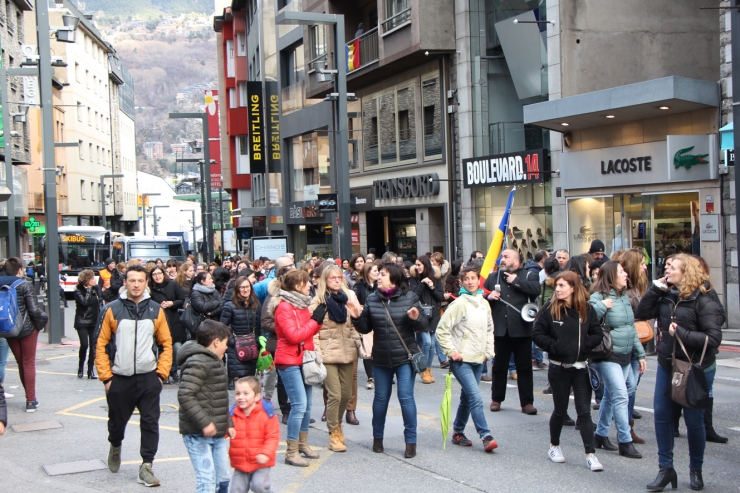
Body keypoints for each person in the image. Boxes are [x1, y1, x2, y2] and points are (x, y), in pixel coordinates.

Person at [637, 254, 723, 491]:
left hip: (695, 367)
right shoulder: (666, 294)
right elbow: (642, 312)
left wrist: (681, 334)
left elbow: (714, 339)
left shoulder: (704, 299)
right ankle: (665, 469)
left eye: (672, 268)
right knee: (662, 416)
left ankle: (696, 469)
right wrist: (656, 289)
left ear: (687, 273)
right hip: (668, 362)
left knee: (694, 421)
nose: (667, 270)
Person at [95, 264, 172, 487]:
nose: (136, 285)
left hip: (149, 377)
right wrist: (107, 378)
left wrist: (161, 374)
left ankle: (146, 466)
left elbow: (166, 345)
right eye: (132, 281)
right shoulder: (112, 310)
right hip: (120, 377)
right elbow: (100, 345)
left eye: (140, 281)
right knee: (117, 422)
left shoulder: (156, 309)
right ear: (125, 283)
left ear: (146, 283)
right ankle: (115, 444)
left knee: (150, 422)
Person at [351, 262, 428, 459]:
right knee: (380, 399)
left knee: (405, 397)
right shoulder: (372, 299)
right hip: (381, 358)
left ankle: (411, 442)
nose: (378, 277)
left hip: (404, 357)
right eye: (378, 274)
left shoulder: (409, 297)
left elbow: (423, 324)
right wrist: (356, 317)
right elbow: (366, 328)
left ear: (393, 277)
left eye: (383, 274)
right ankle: (378, 439)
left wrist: (415, 318)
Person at [532, 271, 605, 471]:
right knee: (560, 410)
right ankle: (554, 446)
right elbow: (537, 334)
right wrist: (556, 346)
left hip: (581, 368)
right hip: (558, 368)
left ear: (573, 288)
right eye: (557, 285)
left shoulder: (586, 309)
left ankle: (591, 455)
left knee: (584, 412)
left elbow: (597, 333)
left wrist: (583, 346)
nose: (557, 289)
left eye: (562, 285)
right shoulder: (550, 309)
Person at [436, 265, 497, 452]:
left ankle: (458, 432)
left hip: (479, 359)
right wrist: (451, 351)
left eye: (473, 278)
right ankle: (486, 435)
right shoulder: (459, 304)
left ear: (478, 280)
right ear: (461, 282)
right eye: (467, 279)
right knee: (475, 397)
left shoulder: (484, 303)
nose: (471, 282)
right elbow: (442, 330)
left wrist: (488, 352)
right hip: (461, 360)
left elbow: (489, 330)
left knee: (467, 398)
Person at [588, 261, 646, 459]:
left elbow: (631, 328)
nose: (626, 274)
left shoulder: (624, 297)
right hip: (607, 353)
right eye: (621, 272)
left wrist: (641, 354)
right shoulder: (598, 296)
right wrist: (602, 307)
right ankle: (625, 440)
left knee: (611, 396)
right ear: (612, 276)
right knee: (621, 396)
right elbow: (588, 320)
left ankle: (600, 435)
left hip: (626, 353)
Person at [270, 269, 326, 467]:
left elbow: (308, 333)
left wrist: (317, 322)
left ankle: (302, 444)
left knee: (307, 406)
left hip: (304, 359)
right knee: (299, 405)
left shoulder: (300, 304)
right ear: (297, 286)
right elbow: (294, 336)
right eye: (307, 282)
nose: (310, 285)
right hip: (289, 361)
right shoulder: (284, 307)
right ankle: (291, 452)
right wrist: (314, 321)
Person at [177, 320, 233, 493]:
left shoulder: (213, 361)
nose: (226, 347)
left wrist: (228, 423)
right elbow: (185, 394)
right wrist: (205, 423)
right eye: (225, 343)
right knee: (207, 480)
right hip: (197, 432)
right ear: (216, 342)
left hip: (216, 431)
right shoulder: (199, 362)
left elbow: (218, 397)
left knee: (222, 478)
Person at [311, 265, 362, 452]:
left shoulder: (347, 299)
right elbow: (313, 330)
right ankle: (333, 432)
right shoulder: (318, 302)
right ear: (325, 280)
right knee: (335, 394)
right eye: (332, 277)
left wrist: (358, 342)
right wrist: (318, 352)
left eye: (339, 277)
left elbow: (353, 326)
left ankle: (338, 423)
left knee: (347, 395)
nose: (336, 280)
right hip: (327, 354)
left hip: (347, 352)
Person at [484, 249, 540, 415]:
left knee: (524, 368)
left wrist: (516, 281)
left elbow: (536, 289)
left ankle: (527, 403)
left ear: (516, 261)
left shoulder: (528, 275)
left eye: (506, 257)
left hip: (522, 330)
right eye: (502, 257)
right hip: (501, 330)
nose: (502, 259)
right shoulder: (494, 276)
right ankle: (496, 399)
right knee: (499, 367)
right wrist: (488, 297)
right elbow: (480, 294)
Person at [0, 257, 48, 412]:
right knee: (28, 363)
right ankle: (30, 400)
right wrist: (40, 324)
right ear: (19, 270)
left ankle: (30, 397)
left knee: (21, 363)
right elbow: (34, 310)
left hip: (9, 330)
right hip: (27, 330)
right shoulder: (24, 285)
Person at [618, 248, 650, 444]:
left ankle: (626, 427)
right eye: (642, 263)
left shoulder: (639, 287)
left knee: (630, 387)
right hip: (627, 343)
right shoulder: (626, 290)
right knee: (626, 387)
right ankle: (624, 429)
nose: (645, 267)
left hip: (636, 342)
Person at [229, 376, 280, 493]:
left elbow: (272, 437)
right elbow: (224, 432)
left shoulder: (267, 414)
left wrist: (266, 453)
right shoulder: (232, 415)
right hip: (240, 462)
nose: (240, 397)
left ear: (257, 396)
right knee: (236, 490)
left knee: (259, 485)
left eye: (246, 393)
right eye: (237, 394)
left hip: (260, 462)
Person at [409, 255, 445, 384]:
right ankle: (423, 369)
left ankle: (428, 369)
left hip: (434, 315)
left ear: (426, 265)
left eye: (419, 265)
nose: (417, 267)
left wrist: (431, 286)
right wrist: (422, 284)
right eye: (416, 265)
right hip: (421, 315)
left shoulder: (436, 279)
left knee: (431, 345)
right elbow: (413, 296)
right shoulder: (414, 279)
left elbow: (440, 297)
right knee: (427, 342)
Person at [221, 277, 262, 389]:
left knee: (250, 378)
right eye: (242, 287)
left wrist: (259, 341)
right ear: (237, 289)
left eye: (247, 286)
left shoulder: (256, 304)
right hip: (236, 346)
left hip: (252, 345)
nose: (245, 290)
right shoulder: (230, 305)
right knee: (240, 381)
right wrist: (231, 341)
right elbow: (222, 326)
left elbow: (260, 325)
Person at [149, 266, 186, 384]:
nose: (157, 276)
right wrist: (158, 306)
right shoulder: (150, 288)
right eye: (154, 274)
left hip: (173, 318)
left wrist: (172, 303)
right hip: (159, 320)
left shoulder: (172, 284)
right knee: (162, 347)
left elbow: (181, 299)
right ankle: (164, 372)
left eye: (159, 273)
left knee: (176, 347)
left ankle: (174, 370)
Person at [354, 262, 378, 389]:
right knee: (367, 350)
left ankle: (381, 375)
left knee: (378, 348)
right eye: (375, 270)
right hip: (366, 320)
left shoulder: (380, 285)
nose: (377, 273)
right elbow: (354, 301)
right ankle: (371, 377)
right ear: (368, 272)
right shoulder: (359, 286)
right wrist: (360, 309)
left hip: (379, 320)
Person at [73, 269, 101, 379]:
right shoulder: (78, 290)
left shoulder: (96, 289)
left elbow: (100, 302)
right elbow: (84, 302)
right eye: (92, 278)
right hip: (82, 321)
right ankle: (80, 368)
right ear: (86, 280)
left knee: (93, 347)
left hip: (94, 321)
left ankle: (90, 370)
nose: (95, 280)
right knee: (84, 345)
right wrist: (89, 291)